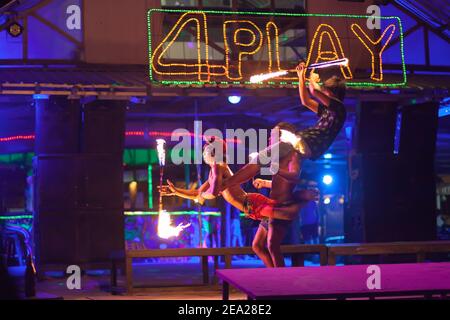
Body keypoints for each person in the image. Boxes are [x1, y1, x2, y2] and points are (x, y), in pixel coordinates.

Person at [160, 136, 317, 223]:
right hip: (249, 207)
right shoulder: (214, 170)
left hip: (251, 203)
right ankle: (305, 195)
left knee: (289, 214)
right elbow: (197, 193)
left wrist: (202, 196)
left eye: (205, 149)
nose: (203, 151)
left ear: (209, 152)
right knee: (284, 212)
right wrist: (176, 192)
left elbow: (212, 193)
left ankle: (306, 195)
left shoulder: (218, 167)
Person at [220, 122, 312, 267]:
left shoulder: (293, 154)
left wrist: (275, 169)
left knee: (272, 245)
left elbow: (294, 176)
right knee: (257, 246)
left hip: (282, 205)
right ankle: (273, 274)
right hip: (272, 204)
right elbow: (281, 182)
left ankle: (280, 279)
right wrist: (265, 182)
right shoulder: (278, 157)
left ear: (284, 137)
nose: (270, 139)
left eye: (273, 136)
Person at [287, 62, 347, 160]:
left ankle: (261, 165)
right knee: (285, 162)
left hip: (309, 142)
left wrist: (312, 78)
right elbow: (306, 101)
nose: (322, 92)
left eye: (324, 91)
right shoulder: (328, 110)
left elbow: (314, 91)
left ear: (330, 92)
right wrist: (301, 76)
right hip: (308, 144)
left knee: (279, 135)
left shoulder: (339, 107)